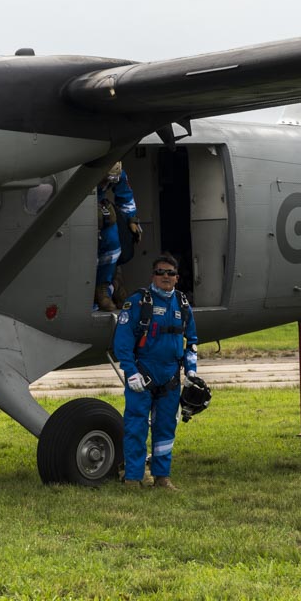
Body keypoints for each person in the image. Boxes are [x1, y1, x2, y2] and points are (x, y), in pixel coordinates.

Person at [113, 254, 197, 490]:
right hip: (142, 373)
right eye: (160, 272)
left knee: (166, 429)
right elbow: (122, 342)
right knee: (136, 427)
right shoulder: (138, 303)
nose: (165, 277)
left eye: (170, 273)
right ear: (153, 276)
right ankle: (133, 478)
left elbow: (192, 340)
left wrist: (191, 372)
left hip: (170, 376)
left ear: (177, 277)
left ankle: (162, 477)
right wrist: (130, 372)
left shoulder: (182, 304)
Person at [95, 162, 142, 312]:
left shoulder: (119, 174)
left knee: (113, 243)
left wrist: (131, 219)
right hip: (80, 208)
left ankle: (104, 289)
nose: (106, 183)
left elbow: (126, 197)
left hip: (100, 208)